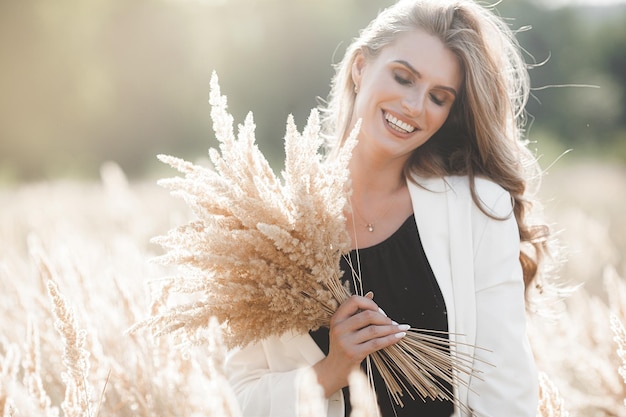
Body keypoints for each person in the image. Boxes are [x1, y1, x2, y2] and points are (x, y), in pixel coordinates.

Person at [226, 0, 554, 416]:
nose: (415, 106)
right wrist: (331, 370)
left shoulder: (477, 209)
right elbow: (236, 397)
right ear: (360, 67)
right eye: (403, 78)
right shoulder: (272, 228)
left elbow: (507, 392)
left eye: (438, 97)